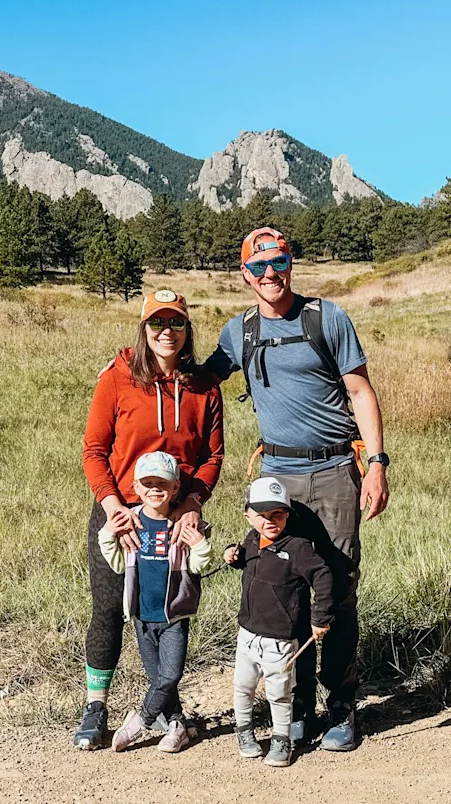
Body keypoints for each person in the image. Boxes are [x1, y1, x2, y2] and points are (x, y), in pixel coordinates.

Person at [204, 226, 389, 751]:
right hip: (277, 479)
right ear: (244, 274)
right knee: (286, 590)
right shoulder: (237, 333)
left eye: (278, 263)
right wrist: (135, 366)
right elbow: (195, 381)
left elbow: (360, 391)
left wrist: (375, 464)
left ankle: (342, 706)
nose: (270, 274)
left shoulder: (326, 318)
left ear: (291, 264)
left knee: (337, 586)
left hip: (334, 472)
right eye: (259, 267)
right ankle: (297, 704)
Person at [73, 290, 224, 750]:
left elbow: (212, 456)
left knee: (165, 613)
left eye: (176, 323)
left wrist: (193, 502)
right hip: (120, 518)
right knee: (109, 611)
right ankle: (96, 708)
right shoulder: (117, 379)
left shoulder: (204, 388)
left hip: (175, 522)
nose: (166, 331)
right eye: (157, 322)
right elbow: (94, 451)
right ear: (143, 328)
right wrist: (111, 504)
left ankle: (164, 712)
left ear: (187, 330)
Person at [98, 451, 213, 754]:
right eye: (147, 483)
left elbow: (199, 565)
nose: (154, 489)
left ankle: (141, 720)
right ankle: (177, 726)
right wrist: (110, 530)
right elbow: (117, 563)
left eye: (161, 483)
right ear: (136, 487)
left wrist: (199, 544)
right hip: (141, 615)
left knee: (170, 674)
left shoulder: (185, 524)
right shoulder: (131, 522)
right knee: (158, 678)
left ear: (176, 488)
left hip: (174, 615)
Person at [224, 476, 333, 768]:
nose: (270, 521)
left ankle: (281, 741)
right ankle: (244, 732)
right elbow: (246, 558)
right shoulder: (250, 540)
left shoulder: (297, 548)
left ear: (288, 514)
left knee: (279, 692)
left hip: (281, 640)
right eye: (262, 515)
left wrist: (320, 617)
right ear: (248, 515)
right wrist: (231, 555)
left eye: (278, 514)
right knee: (243, 687)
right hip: (247, 634)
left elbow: (323, 576)